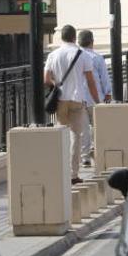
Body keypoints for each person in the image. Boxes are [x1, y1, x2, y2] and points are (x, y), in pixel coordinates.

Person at [44, 25, 100, 184]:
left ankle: (59, 171)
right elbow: (90, 81)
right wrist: (97, 101)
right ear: (75, 37)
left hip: (60, 100)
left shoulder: (53, 55)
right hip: (76, 100)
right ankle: (73, 175)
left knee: (61, 133)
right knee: (76, 136)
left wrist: (57, 84)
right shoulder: (82, 55)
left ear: (62, 37)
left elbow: (46, 79)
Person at [78, 29, 111, 168]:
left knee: (83, 129)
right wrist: (108, 93)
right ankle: (99, 152)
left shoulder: (76, 57)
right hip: (95, 97)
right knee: (99, 126)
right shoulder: (97, 58)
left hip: (78, 98)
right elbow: (104, 78)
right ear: (92, 41)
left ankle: (84, 157)